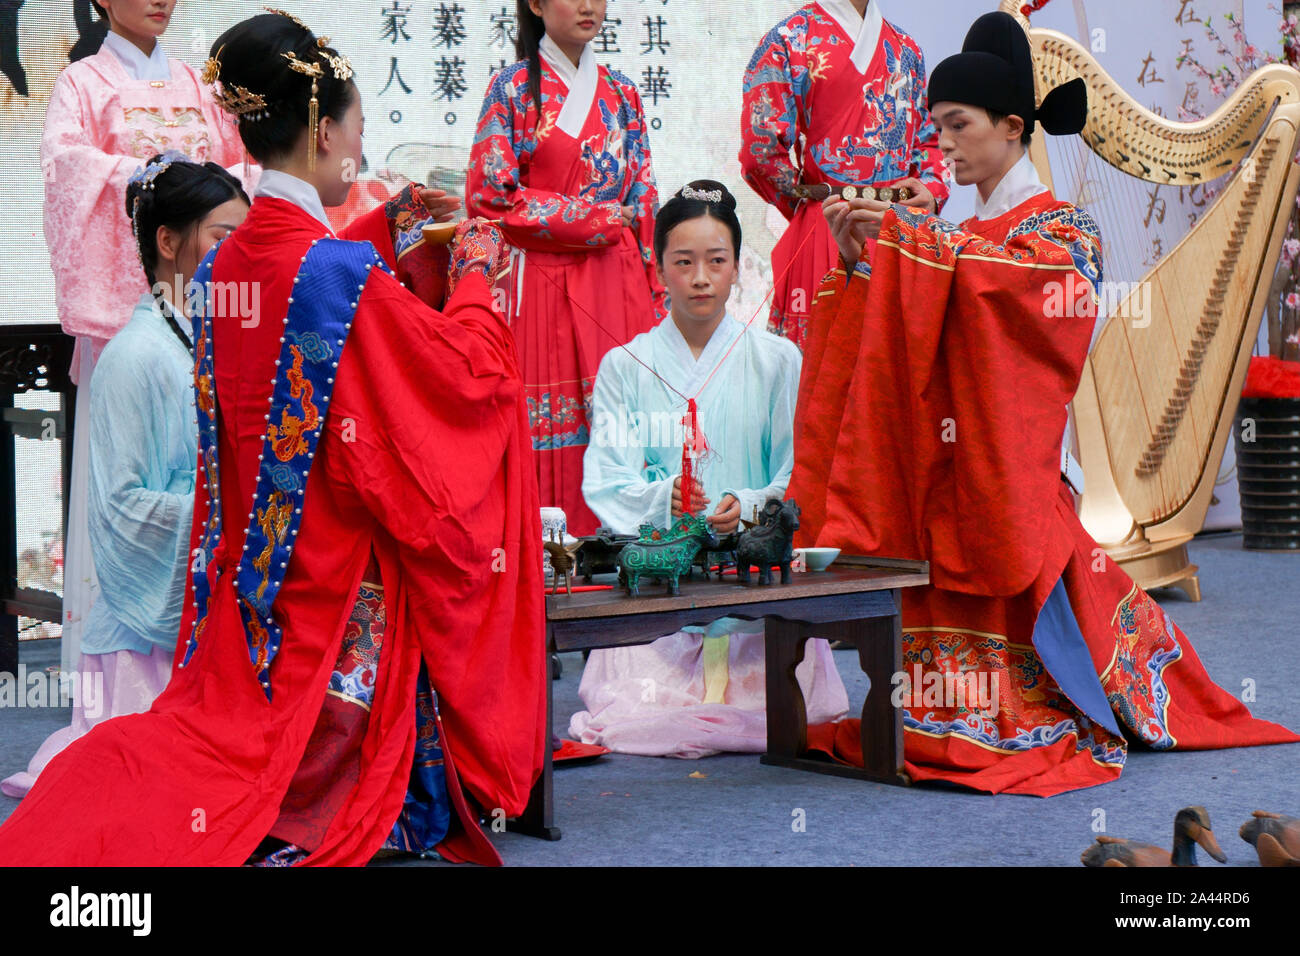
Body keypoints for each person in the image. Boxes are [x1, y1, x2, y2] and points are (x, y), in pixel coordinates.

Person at [0, 10, 546, 866]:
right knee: (415, 544)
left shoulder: (226, 261)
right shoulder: (328, 268)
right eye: (356, 130)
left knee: (187, 745)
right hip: (333, 575)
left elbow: (319, 281)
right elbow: (462, 379)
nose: (358, 150)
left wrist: (391, 223)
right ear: (324, 131)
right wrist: (474, 269)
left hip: (251, 582)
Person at [792, 11, 1299, 795]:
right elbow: (921, 324)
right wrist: (870, 263)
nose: (945, 144)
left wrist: (914, 247)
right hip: (947, 464)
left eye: (958, 126)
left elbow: (1027, 300)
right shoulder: (957, 230)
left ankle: (1026, 704)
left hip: (1009, 474)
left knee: (1041, 671)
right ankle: (936, 711)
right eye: (937, 129)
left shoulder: (1065, 230)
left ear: (1012, 126)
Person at [2, 154, 249, 800]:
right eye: (224, 238)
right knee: (163, 786)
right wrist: (221, 506)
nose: (239, 255)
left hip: (202, 604)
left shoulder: (199, 336)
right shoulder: (135, 357)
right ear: (168, 242)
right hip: (147, 642)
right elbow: (121, 509)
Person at [571, 181, 848, 758]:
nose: (701, 277)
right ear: (659, 267)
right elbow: (607, 477)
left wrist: (744, 507)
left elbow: (794, 474)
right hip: (660, 590)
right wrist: (664, 495)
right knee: (642, 708)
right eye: (684, 262)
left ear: (737, 267)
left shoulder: (777, 360)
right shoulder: (625, 366)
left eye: (716, 261)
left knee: (786, 708)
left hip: (748, 587)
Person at [42, 0, 246, 678]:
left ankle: (204, 664)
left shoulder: (200, 85)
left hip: (200, 312)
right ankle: (116, 677)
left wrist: (202, 192)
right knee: (126, 483)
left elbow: (241, 175)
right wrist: (145, 178)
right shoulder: (83, 84)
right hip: (126, 317)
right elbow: (64, 169)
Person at [468, 0, 667, 536]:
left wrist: (656, 293)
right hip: (544, 283)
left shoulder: (623, 92)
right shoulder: (511, 90)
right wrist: (600, 217)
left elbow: (644, 198)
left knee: (625, 418)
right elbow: (490, 199)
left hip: (618, 281)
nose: (588, 5)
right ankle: (555, 570)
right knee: (552, 431)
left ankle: (636, 565)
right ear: (535, 3)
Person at [739, 0, 950, 349]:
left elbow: (930, 144)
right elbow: (759, 153)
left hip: (896, 226)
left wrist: (930, 190)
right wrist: (811, 203)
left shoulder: (907, 49)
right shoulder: (787, 41)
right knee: (827, 373)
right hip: (831, 221)